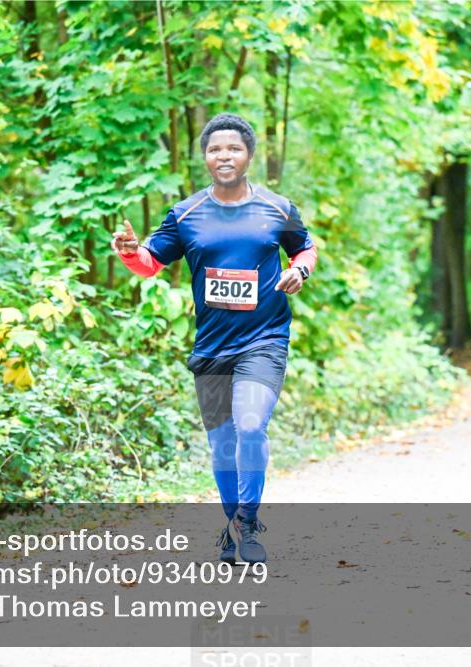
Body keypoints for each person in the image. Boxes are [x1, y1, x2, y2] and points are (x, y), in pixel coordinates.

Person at [110, 113, 317, 565]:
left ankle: (249, 522)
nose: (224, 155)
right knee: (222, 443)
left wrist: (299, 269)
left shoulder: (276, 209)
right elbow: (150, 262)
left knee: (249, 425)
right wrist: (129, 252)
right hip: (211, 347)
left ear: (249, 156)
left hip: (264, 339)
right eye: (215, 149)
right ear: (204, 157)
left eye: (234, 148)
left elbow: (305, 245)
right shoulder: (185, 215)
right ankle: (231, 524)